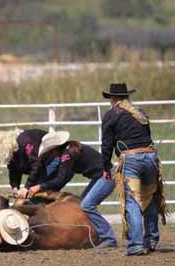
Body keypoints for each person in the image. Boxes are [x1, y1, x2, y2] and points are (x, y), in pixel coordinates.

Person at [101, 83, 167, 256]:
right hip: (150, 156)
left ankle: (136, 245)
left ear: (113, 99)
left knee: (133, 201)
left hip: (130, 159)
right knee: (150, 197)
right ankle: (151, 240)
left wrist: (105, 167)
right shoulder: (141, 114)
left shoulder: (111, 115)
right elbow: (147, 137)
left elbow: (106, 144)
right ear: (127, 97)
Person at [28, 130, 118, 248]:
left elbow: (61, 179)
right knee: (83, 205)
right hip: (102, 176)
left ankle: (109, 238)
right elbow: (63, 177)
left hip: (106, 176)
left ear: (55, 149)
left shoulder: (67, 155)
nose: (48, 156)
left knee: (86, 205)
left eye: (48, 153)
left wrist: (39, 187)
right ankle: (99, 235)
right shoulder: (69, 151)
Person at [0, 128, 59, 198]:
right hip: (46, 164)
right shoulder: (14, 148)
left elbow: (37, 163)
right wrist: (15, 187)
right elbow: (13, 169)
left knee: (37, 196)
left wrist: (27, 187)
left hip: (55, 159)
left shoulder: (24, 141)